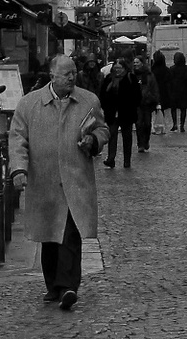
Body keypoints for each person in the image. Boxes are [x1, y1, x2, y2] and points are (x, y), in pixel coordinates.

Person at [9, 54, 109, 311]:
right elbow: (17, 139)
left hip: (75, 181)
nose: (72, 77)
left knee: (69, 234)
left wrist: (93, 140)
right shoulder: (29, 104)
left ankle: (68, 287)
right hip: (44, 182)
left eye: (74, 72)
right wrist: (19, 170)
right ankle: (53, 286)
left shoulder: (88, 100)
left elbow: (103, 129)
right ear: (52, 76)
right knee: (50, 236)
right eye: (66, 74)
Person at [98, 58, 140, 169]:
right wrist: (106, 107)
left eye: (120, 68)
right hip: (112, 113)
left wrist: (132, 107)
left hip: (126, 113)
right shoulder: (109, 79)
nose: (117, 70)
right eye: (116, 68)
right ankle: (111, 158)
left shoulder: (131, 78)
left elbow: (137, 96)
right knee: (111, 135)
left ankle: (127, 161)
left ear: (124, 68)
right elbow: (102, 94)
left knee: (127, 137)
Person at [132, 54, 160, 153]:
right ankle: (140, 144)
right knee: (139, 123)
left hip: (148, 102)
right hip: (137, 103)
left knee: (147, 124)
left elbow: (154, 87)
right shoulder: (132, 75)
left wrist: (155, 99)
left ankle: (146, 141)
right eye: (134, 62)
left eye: (137, 62)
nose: (135, 64)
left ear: (142, 63)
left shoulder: (149, 75)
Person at [168, 51, 187, 132]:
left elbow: (169, 81)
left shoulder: (172, 69)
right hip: (184, 91)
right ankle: (182, 125)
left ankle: (174, 124)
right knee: (183, 109)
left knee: (173, 109)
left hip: (174, 91)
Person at [151, 50, 173, 129]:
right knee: (161, 109)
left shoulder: (152, 70)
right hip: (164, 92)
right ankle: (161, 124)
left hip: (155, 92)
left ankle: (156, 125)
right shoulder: (166, 70)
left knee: (155, 109)